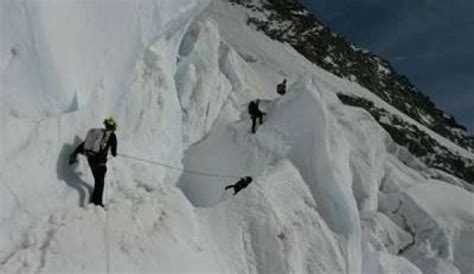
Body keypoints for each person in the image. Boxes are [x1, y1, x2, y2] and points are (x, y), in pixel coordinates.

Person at [69, 117, 118, 207]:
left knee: (97, 180)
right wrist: (114, 153)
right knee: (100, 182)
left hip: (91, 160)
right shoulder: (112, 136)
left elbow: (83, 146)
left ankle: (95, 200)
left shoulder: (97, 134)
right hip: (100, 162)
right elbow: (114, 152)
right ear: (114, 128)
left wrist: (73, 155)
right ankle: (97, 203)